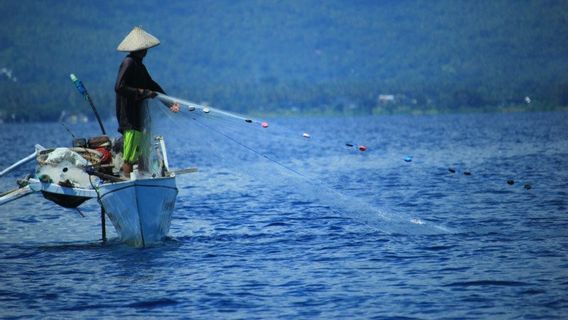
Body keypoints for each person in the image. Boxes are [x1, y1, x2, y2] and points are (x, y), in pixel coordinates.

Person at [115, 26, 179, 178]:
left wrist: (169, 103)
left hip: (139, 115)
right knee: (129, 156)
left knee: (144, 151)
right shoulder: (128, 63)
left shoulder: (139, 65)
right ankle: (128, 181)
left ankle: (144, 179)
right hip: (129, 117)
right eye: (145, 48)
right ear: (140, 49)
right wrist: (142, 92)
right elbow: (119, 87)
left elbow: (151, 85)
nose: (147, 51)